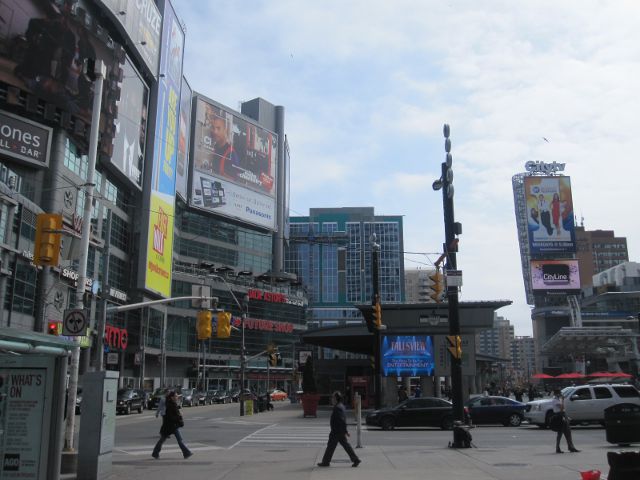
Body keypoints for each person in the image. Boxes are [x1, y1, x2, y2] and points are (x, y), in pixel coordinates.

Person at [317, 391, 361, 468]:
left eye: (333, 397)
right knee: (344, 446)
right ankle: (355, 459)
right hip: (338, 431)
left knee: (331, 446)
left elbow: (342, 420)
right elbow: (343, 420)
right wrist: (345, 431)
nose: (332, 399)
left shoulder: (338, 408)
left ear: (336, 398)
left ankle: (326, 462)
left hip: (336, 431)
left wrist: (345, 431)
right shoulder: (341, 406)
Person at [152, 391, 193, 459]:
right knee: (178, 440)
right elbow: (171, 416)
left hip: (170, 426)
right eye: (176, 396)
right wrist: (179, 417)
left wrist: (179, 416)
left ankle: (155, 453)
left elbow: (174, 415)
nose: (177, 397)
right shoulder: (170, 405)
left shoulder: (172, 404)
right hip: (171, 426)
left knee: (163, 440)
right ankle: (186, 453)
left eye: (177, 396)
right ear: (172, 397)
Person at [551, 389, 579, 454]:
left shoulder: (558, 399)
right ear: (556, 394)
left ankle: (570, 447)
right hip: (560, 416)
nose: (561, 394)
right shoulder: (555, 400)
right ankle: (558, 448)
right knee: (561, 433)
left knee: (567, 432)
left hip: (562, 415)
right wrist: (563, 400)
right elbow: (562, 408)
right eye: (560, 393)